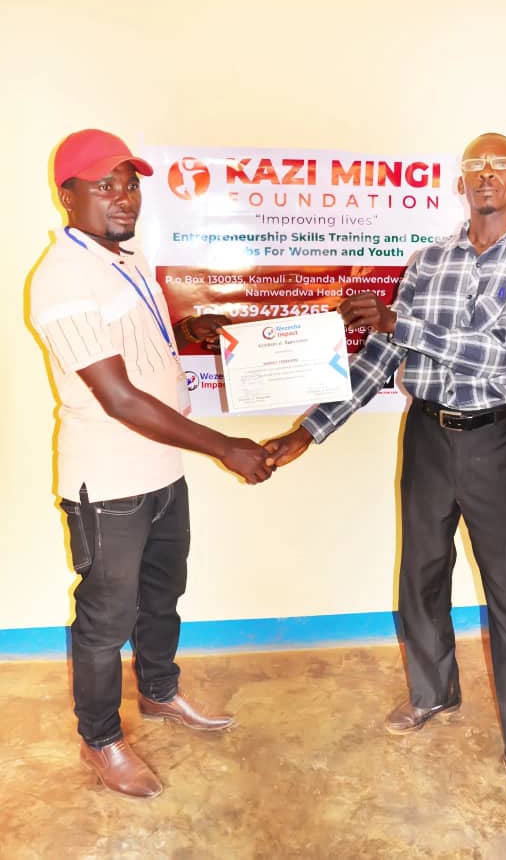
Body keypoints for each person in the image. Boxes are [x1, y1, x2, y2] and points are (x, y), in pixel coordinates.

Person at [264, 133, 506, 831]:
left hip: (493, 440)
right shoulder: (428, 261)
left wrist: (401, 321)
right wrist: (307, 432)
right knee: (422, 574)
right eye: (474, 167)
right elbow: (381, 355)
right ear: (460, 183)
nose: (486, 176)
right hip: (427, 435)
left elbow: (501, 351)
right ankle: (434, 693)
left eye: (500, 166)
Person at [29, 128, 274, 799]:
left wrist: (187, 334)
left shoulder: (126, 256)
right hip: (109, 482)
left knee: (164, 594)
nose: (123, 197)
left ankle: (160, 692)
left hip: (164, 472)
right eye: (104, 185)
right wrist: (225, 446)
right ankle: (101, 739)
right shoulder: (63, 278)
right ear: (67, 195)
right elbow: (117, 397)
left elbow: (136, 346)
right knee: (106, 619)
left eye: (130, 183)